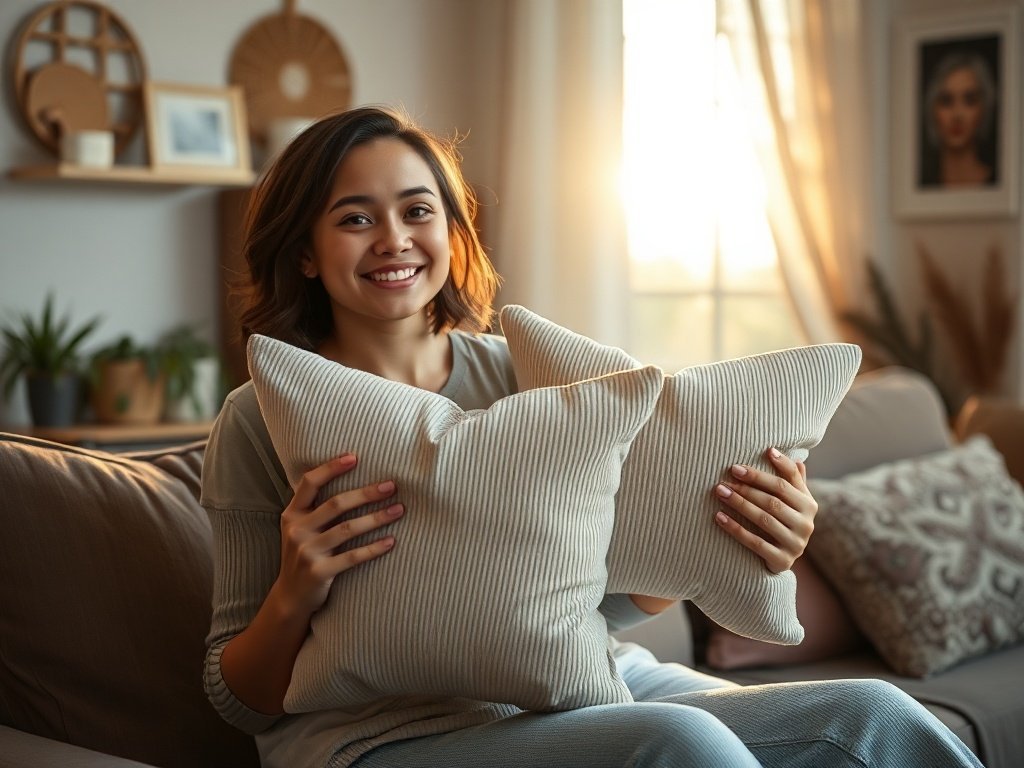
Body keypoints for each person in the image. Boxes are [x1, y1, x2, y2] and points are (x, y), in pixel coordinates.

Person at [202, 105, 983, 768]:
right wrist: (295, 590)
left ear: (453, 230)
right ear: (304, 250)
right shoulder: (258, 415)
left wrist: (731, 536)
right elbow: (242, 704)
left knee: (876, 716)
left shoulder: (529, 376)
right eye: (354, 218)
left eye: (416, 210)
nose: (393, 239)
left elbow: (601, 603)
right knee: (681, 744)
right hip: (385, 733)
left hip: (586, 682)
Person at [920, 49, 998, 188]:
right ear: (932, 108)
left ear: (984, 108)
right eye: (946, 101)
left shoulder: (997, 182)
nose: (957, 115)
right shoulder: (923, 183)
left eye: (969, 100)